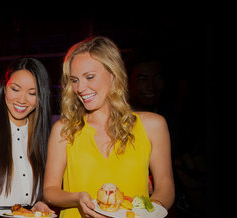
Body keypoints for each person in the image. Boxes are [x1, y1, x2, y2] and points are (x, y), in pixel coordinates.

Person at [43, 36, 175, 218]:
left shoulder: (153, 126)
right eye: (74, 80)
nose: (80, 88)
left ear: (113, 74)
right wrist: (77, 198)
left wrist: (146, 212)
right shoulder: (64, 129)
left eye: (90, 77)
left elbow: (165, 187)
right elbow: (50, 190)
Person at [0, 57, 54, 217]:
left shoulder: (45, 136)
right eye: (15, 89)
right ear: (4, 89)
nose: (22, 99)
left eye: (32, 93)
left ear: (40, 97)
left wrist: (40, 203)